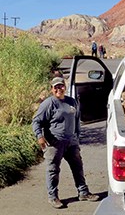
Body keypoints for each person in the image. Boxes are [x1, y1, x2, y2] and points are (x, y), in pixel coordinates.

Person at [32, 77, 99, 209]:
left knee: (78, 167)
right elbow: (36, 121)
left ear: (65, 87)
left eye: (61, 86)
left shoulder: (71, 102)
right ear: (52, 89)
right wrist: (39, 136)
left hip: (71, 142)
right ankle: (53, 197)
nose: (59, 89)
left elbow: (77, 120)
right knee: (53, 170)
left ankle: (83, 192)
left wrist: (77, 137)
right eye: (56, 87)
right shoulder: (48, 104)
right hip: (54, 144)